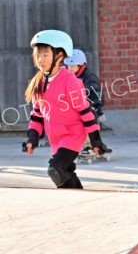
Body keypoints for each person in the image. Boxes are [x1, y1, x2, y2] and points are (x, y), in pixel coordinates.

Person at [23, 29, 108, 189]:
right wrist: (32, 138)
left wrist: (96, 140)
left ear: (60, 56)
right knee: (66, 173)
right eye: (38, 55)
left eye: (46, 55)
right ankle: (79, 199)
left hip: (73, 135)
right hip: (55, 138)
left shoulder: (70, 81)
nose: (41, 59)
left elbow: (86, 112)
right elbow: (37, 115)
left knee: (56, 170)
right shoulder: (38, 83)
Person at [63, 48, 109, 128]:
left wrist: (98, 110)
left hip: (86, 110)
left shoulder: (89, 77)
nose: (70, 68)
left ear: (80, 65)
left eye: (73, 66)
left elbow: (94, 92)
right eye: (68, 66)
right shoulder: (66, 77)